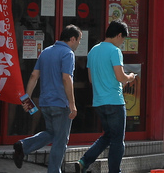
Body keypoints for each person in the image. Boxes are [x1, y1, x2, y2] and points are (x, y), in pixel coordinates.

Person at [13, 25, 82, 172]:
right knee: (60, 140)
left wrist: (26, 100)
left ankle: (23, 146)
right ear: (72, 39)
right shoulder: (68, 53)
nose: (79, 44)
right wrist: (72, 103)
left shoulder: (45, 52)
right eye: (79, 40)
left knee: (52, 133)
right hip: (61, 103)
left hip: (45, 103)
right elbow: (66, 78)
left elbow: (33, 76)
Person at [74, 21, 137, 173]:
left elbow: (90, 79)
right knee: (117, 141)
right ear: (119, 35)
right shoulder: (115, 51)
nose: (122, 43)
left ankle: (84, 161)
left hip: (99, 102)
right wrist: (130, 77)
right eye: (123, 40)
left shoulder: (93, 51)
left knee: (108, 136)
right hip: (114, 101)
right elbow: (120, 76)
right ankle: (114, 171)